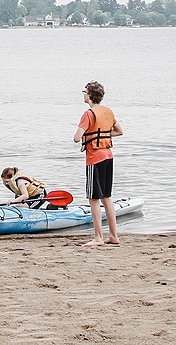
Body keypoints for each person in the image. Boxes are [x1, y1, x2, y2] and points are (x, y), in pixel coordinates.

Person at [72, 81, 124, 247]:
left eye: (84, 92)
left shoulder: (88, 114)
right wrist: (101, 136)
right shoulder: (108, 111)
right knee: (106, 197)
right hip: (108, 156)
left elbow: (76, 137)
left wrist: (89, 137)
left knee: (93, 198)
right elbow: (119, 131)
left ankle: (98, 237)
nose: (83, 94)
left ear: (90, 95)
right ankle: (114, 236)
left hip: (95, 158)